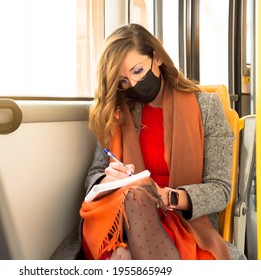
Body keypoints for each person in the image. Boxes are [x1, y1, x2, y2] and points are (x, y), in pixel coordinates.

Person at [51, 23, 245, 260]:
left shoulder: (207, 108)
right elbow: (94, 176)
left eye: (138, 71)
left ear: (157, 57)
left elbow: (220, 189)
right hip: (119, 218)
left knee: (125, 251)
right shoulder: (118, 112)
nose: (133, 85)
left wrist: (167, 196)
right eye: (122, 81)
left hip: (183, 221)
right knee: (131, 211)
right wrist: (107, 177)